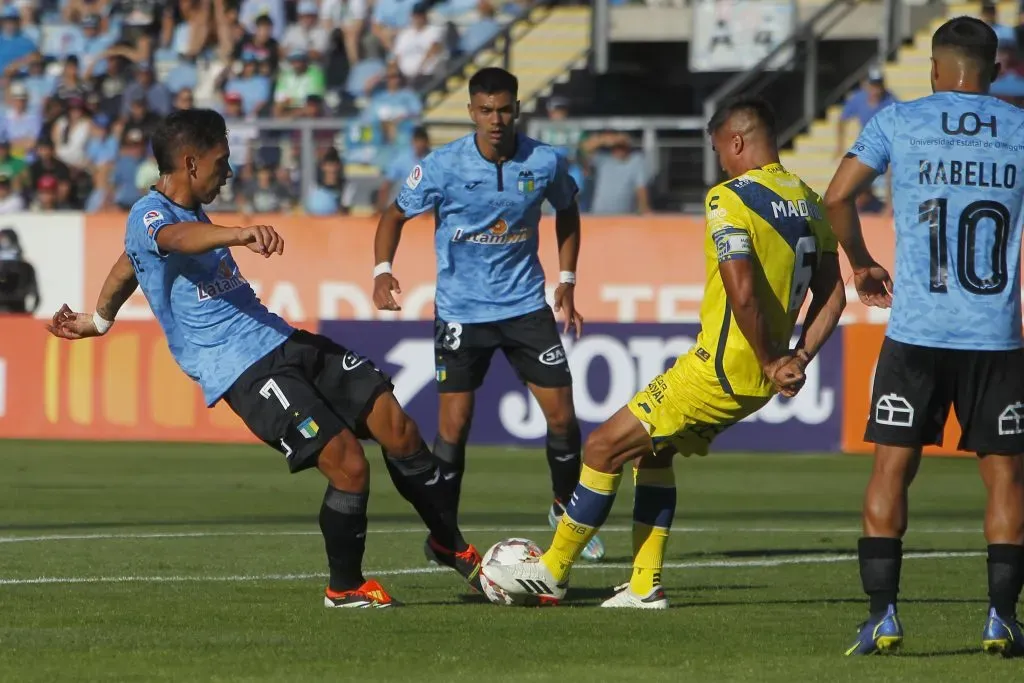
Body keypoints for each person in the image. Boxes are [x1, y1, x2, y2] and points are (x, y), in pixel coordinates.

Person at [46, 109, 482, 609]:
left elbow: (129, 263)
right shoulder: (150, 214)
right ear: (190, 163)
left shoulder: (186, 216)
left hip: (280, 338)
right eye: (221, 162)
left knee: (395, 422)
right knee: (348, 465)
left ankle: (450, 542)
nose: (228, 172)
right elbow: (170, 241)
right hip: (244, 370)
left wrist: (100, 320)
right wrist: (239, 233)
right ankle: (344, 588)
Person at [484, 95, 847, 607]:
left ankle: (552, 570)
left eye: (721, 149)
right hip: (760, 379)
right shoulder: (811, 201)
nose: (721, 161)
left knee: (602, 447)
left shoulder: (731, 198)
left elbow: (741, 291)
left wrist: (770, 357)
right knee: (652, 453)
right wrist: (796, 358)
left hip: (721, 370)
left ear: (737, 142)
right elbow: (834, 294)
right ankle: (643, 583)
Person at [823, 16, 1024, 657]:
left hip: (917, 332)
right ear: (995, 71)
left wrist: (861, 262)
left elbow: (836, 197)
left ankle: (882, 616)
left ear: (934, 70)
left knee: (891, 470)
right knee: (1007, 482)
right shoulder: (1020, 128)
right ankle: (1001, 619)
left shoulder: (899, 122)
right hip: (996, 335)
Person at [372, 67, 607, 564]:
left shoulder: (544, 161)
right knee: (453, 427)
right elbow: (394, 215)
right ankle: (444, 535)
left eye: (504, 109)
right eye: (485, 110)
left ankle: (565, 508)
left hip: (524, 306)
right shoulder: (442, 166)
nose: (495, 119)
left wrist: (566, 281)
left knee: (563, 416)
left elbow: (567, 211)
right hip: (461, 311)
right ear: (471, 112)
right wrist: (382, 270)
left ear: (517, 107)